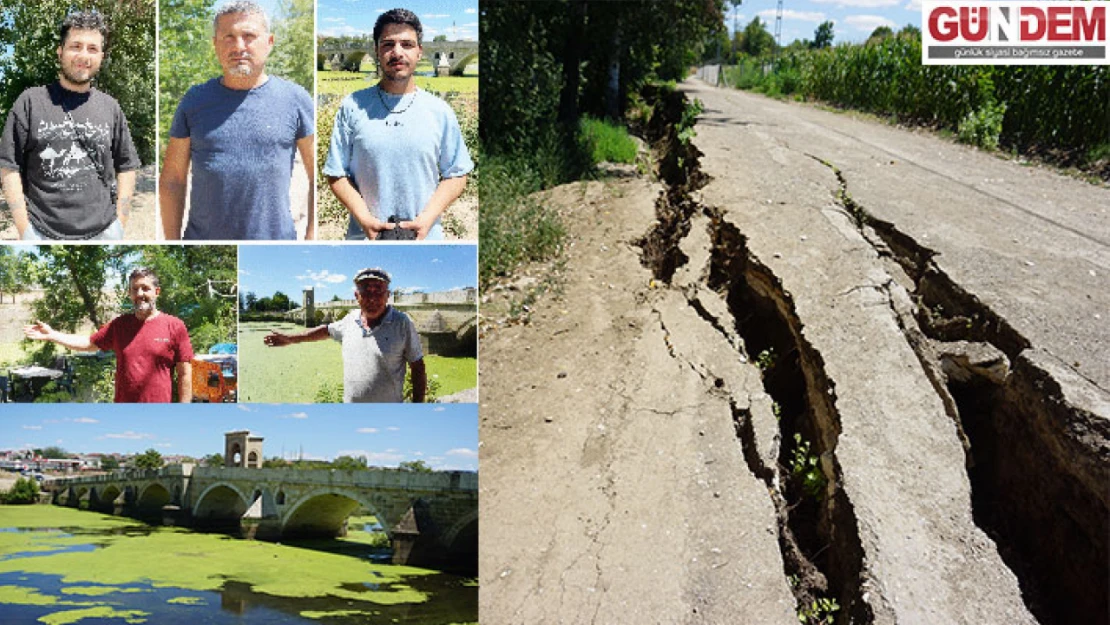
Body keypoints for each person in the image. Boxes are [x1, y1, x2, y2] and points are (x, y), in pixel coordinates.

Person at [160, 0, 314, 240]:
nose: (238, 46)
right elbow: (173, 180)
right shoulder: (194, 101)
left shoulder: (295, 99)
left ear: (269, 42)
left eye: (248, 35)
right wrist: (171, 242)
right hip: (203, 243)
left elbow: (317, 175)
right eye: (228, 37)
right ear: (215, 45)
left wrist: (311, 237)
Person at [323, 8, 473, 240]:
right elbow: (336, 173)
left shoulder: (440, 111)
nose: (397, 52)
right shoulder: (351, 106)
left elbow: (457, 173)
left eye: (407, 44)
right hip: (363, 239)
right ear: (376, 50)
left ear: (420, 52)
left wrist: (426, 219)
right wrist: (365, 220)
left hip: (425, 239)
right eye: (388, 44)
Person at [0, 10, 140, 240]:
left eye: (92, 48)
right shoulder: (31, 102)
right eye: (76, 46)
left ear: (101, 56)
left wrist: (120, 223)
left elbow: (127, 166)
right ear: (60, 51)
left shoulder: (110, 107)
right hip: (42, 232)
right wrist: (25, 230)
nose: (84, 55)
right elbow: (8, 165)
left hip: (103, 231)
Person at [23, 268, 194, 403]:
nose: (140, 294)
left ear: (157, 292)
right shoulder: (119, 325)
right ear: (130, 294)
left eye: (145, 288)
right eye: (135, 289)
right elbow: (88, 343)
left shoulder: (174, 326)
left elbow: (185, 373)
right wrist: (52, 335)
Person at [263, 267, 426, 403]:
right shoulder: (349, 320)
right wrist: (290, 339)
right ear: (357, 296)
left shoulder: (402, 323)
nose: (372, 298)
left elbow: (417, 367)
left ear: (387, 295)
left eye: (378, 291)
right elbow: (325, 330)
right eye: (366, 292)